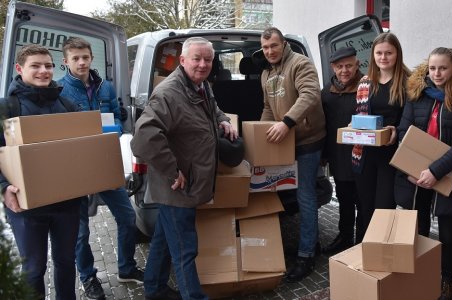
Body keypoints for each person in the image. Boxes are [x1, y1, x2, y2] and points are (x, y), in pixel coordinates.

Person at [131, 37, 236, 300]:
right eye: (196, 59)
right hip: (178, 185)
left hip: (190, 181)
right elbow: (143, 137)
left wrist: (223, 121)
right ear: (182, 61)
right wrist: (171, 170)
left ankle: (154, 288)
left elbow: (213, 110)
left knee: (165, 240)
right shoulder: (169, 93)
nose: (202, 65)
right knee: (185, 249)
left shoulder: (200, 85)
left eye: (208, 60)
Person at [58, 36, 143, 300]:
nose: (82, 62)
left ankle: (126, 268)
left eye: (85, 57)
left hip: (105, 162)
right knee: (80, 232)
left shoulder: (105, 87)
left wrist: (116, 127)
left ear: (91, 58)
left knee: (127, 217)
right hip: (76, 169)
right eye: (76, 58)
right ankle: (88, 277)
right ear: (66, 62)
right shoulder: (59, 90)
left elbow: (117, 114)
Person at [0, 44, 85, 300]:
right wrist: (4, 187)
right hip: (27, 206)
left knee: (66, 262)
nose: (43, 71)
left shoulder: (67, 104)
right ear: (19, 69)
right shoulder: (7, 108)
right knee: (34, 269)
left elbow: (81, 151)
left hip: (67, 203)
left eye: (47, 65)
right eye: (35, 66)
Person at [394, 47, 452, 300]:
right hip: (416, 176)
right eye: (432, 68)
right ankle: (421, 279)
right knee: (418, 232)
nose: (437, 73)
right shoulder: (417, 94)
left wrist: (435, 171)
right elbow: (403, 131)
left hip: (450, 177)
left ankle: (446, 285)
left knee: (447, 238)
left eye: (443, 67)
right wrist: (410, 168)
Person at [256, 27, 326, 282]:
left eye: (274, 45)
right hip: (284, 142)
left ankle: (307, 255)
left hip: (307, 140)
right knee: (281, 192)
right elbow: (267, 108)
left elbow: (310, 95)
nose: (270, 51)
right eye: (265, 48)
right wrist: (259, 137)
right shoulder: (266, 74)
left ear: (284, 44)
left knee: (304, 195)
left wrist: (286, 122)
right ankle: (311, 241)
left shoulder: (300, 63)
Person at [352, 32, 409, 243]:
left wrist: (398, 128)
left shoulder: (407, 82)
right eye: (379, 53)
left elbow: (413, 118)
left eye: (388, 53)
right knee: (364, 206)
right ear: (373, 55)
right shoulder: (365, 82)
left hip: (391, 155)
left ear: (397, 54)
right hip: (364, 153)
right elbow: (360, 114)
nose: (383, 57)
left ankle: (381, 251)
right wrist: (354, 124)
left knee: (384, 207)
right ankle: (362, 251)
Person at [320, 47, 362, 254]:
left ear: (357, 65)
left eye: (348, 65)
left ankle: (363, 240)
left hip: (363, 156)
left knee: (363, 202)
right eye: (339, 66)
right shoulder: (327, 92)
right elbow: (324, 125)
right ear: (333, 68)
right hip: (339, 156)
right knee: (345, 200)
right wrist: (324, 155)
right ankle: (345, 237)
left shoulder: (368, 87)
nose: (344, 70)